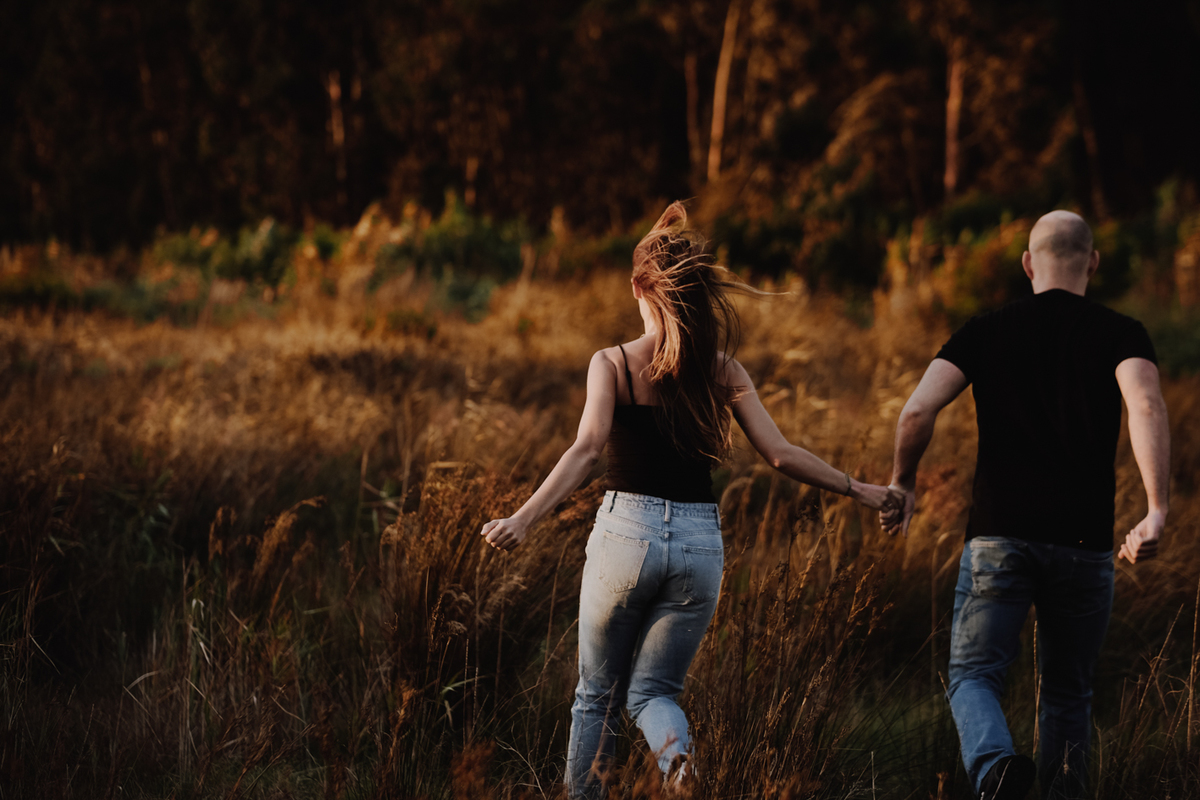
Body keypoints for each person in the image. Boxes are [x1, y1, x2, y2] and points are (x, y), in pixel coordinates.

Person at [480, 202, 900, 798]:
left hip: (626, 535)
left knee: (596, 696)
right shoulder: (723, 370)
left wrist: (523, 519)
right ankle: (681, 771)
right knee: (654, 693)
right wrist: (863, 490)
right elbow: (781, 455)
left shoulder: (613, 363)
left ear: (638, 287)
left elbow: (586, 449)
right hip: (700, 546)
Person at [881, 210, 1170, 800]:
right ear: (1092, 262)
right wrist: (1156, 507)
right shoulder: (1122, 332)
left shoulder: (987, 329)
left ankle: (994, 771)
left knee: (973, 675)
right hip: (1086, 542)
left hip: (999, 537)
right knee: (1068, 693)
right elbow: (1145, 404)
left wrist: (903, 482)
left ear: (1028, 263)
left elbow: (915, 411)